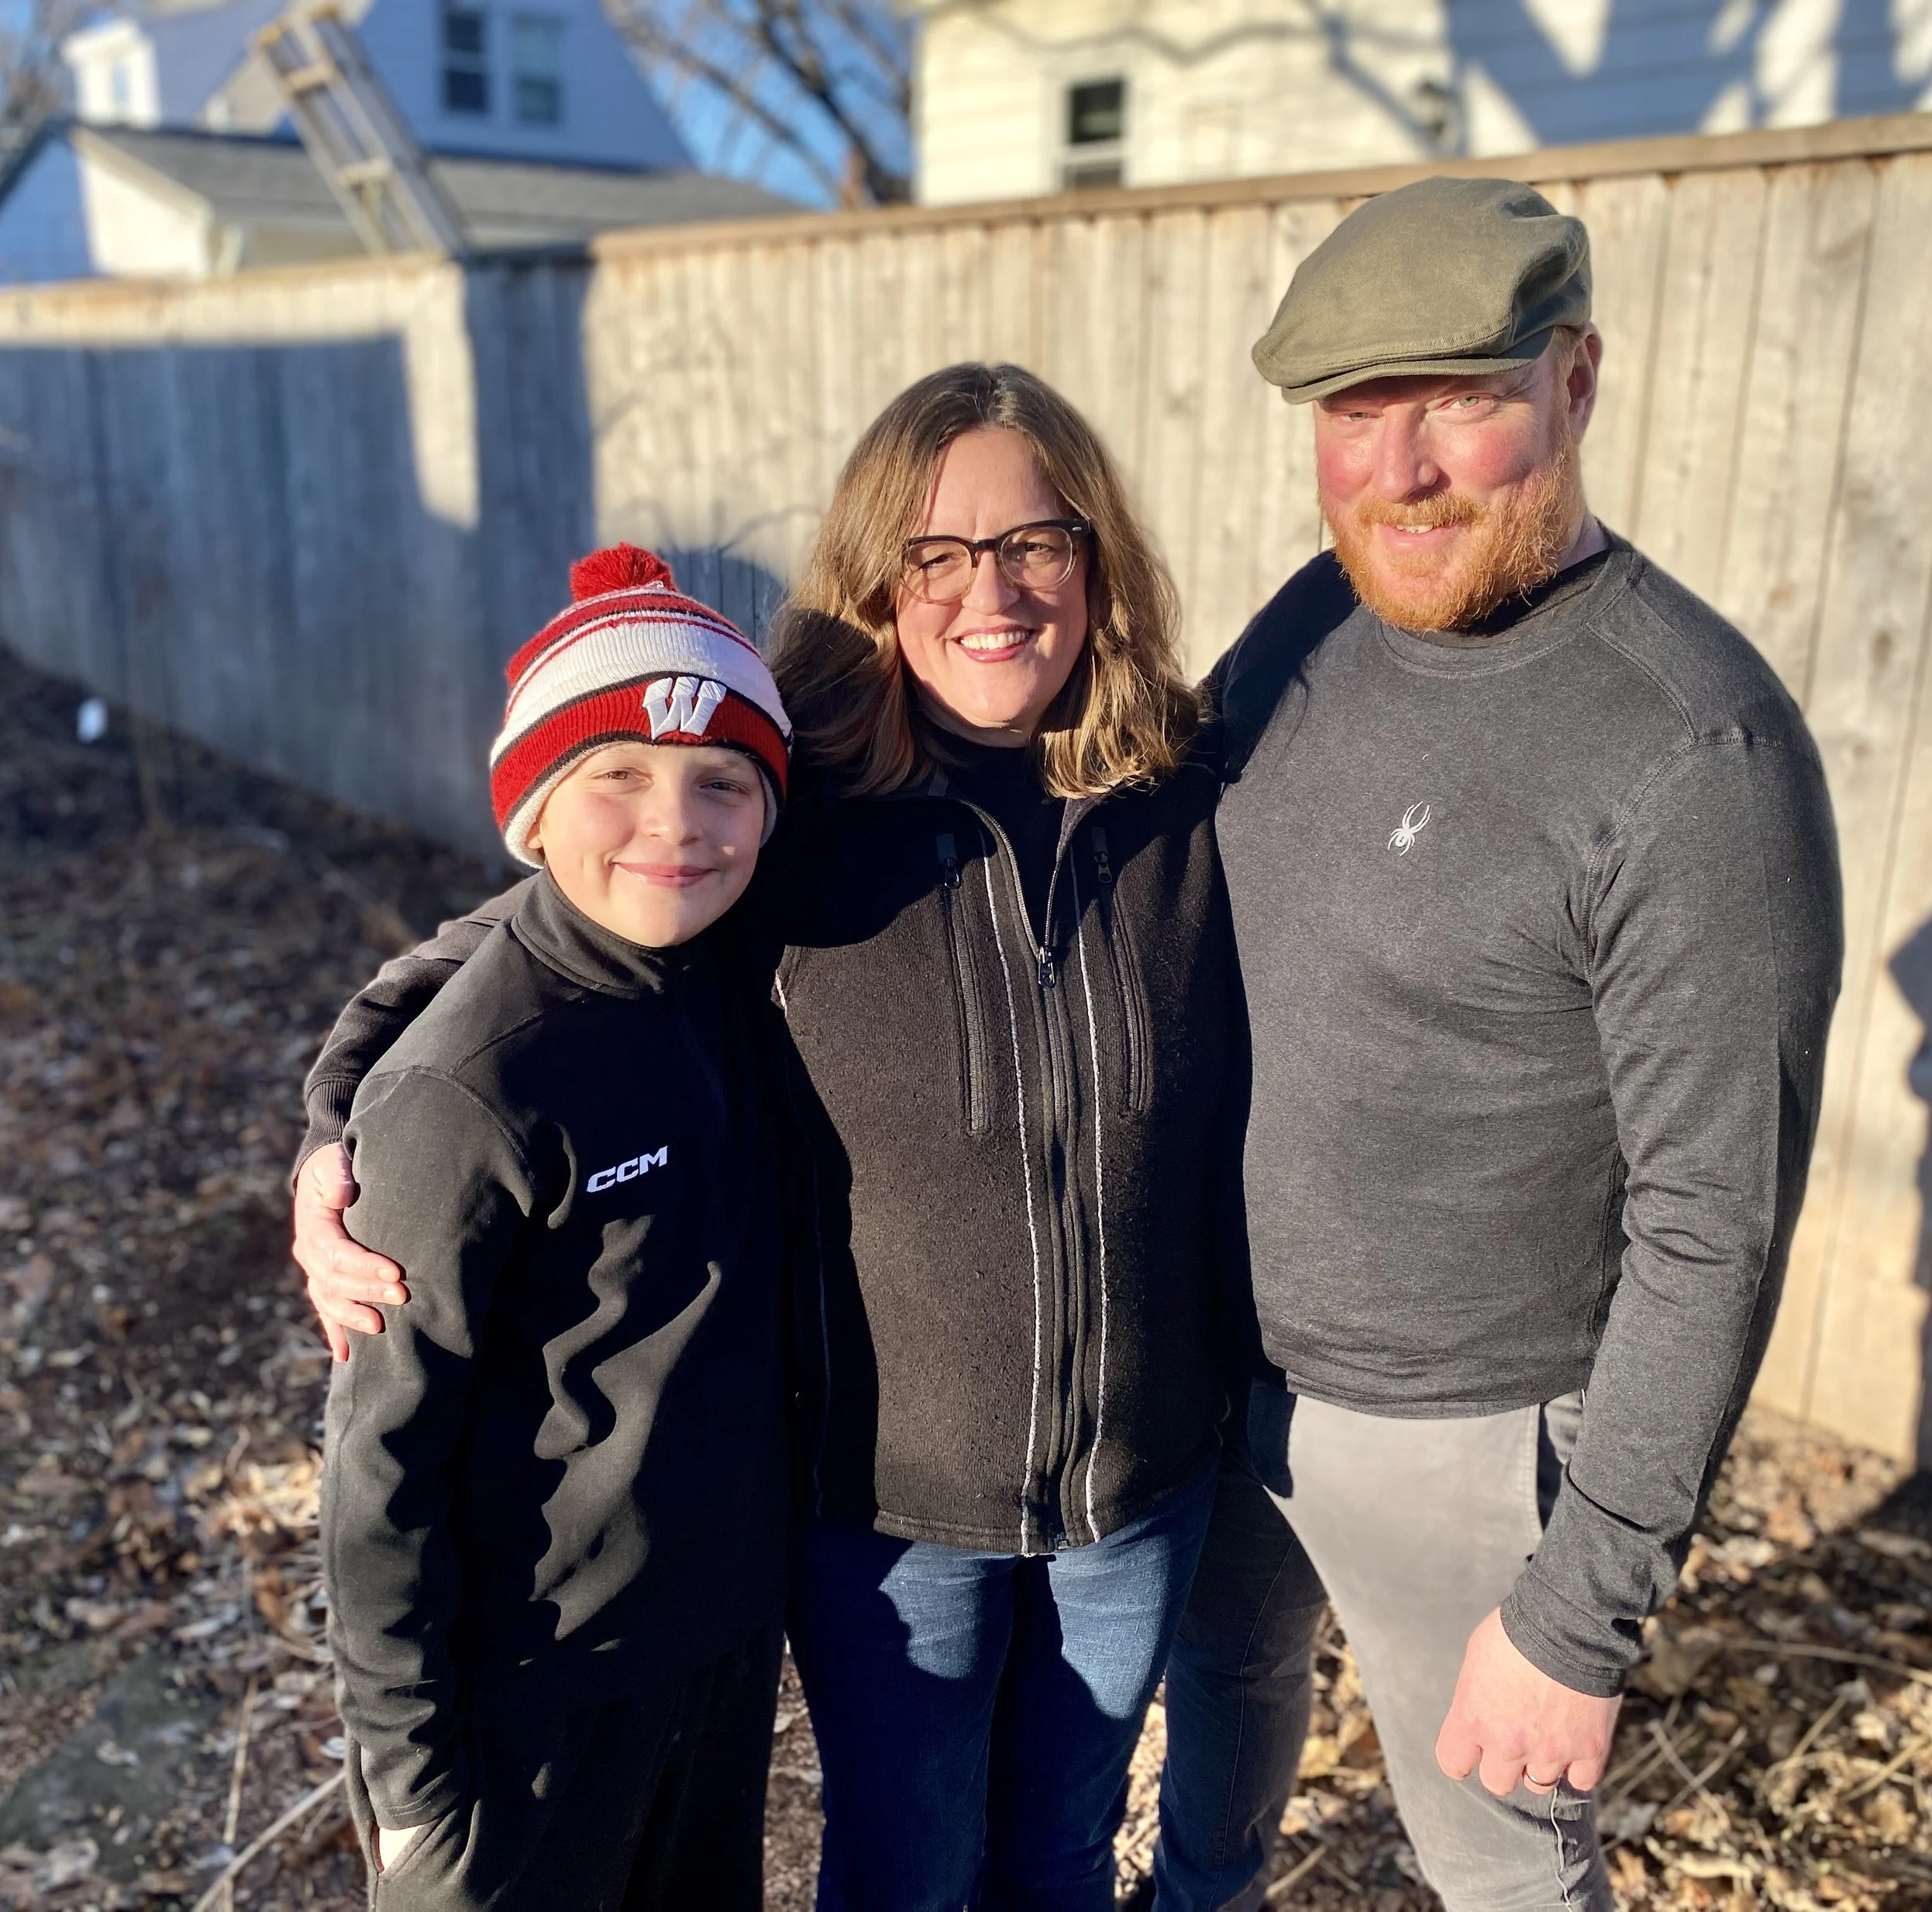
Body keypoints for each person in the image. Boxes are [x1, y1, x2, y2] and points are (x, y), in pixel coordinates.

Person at [292, 364, 1260, 1910]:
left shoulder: (1188, 801)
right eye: (934, 554)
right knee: (907, 1871)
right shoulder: (789, 810)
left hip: (1135, 1484)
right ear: (876, 583)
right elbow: (508, 950)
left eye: (1035, 542)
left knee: (1065, 1857)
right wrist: (336, 1121)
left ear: (1097, 561)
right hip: (888, 1509)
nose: (989, 591)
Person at [1152, 177, 1844, 1911]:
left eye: (1458, 399)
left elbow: (1713, 1219)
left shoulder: (1695, 756)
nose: (1400, 474)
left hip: (1461, 1450)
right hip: (1219, 1380)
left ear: (1574, 381)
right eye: (1353, 415)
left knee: (1502, 1868)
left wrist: (1580, 1603)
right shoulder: (1309, 624)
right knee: (1220, 1715)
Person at [320, 546, 797, 1912]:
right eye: (620, 778)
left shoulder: (723, 973)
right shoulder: (471, 1084)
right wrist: (411, 1789)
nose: (677, 823)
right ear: (535, 809)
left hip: (709, 1648)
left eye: (724, 783)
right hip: (524, 1696)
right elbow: (377, 1466)